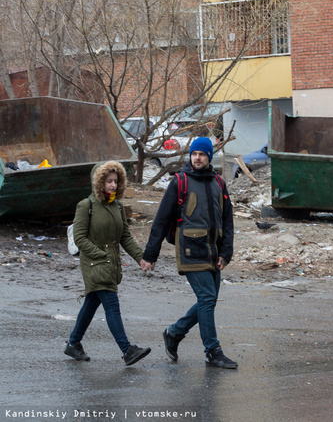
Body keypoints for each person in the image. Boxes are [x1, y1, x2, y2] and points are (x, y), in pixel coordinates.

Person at [141, 137, 237, 369]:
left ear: (209, 157)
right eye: (194, 154)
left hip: (213, 251)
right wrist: (150, 254)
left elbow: (228, 220)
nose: (197, 158)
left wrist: (227, 251)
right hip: (190, 250)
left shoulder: (219, 182)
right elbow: (162, 219)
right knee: (206, 298)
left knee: (209, 299)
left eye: (202, 154)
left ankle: (174, 333)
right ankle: (212, 351)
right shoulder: (180, 182)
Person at [65, 161, 151, 366]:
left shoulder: (118, 206)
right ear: (99, 182)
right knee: (112, 304)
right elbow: (80, 238)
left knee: (92, 302)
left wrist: (141, 257)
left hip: (111, 262)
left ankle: (73, 343)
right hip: (94, 263)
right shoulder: (86, 205)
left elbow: (125, 237)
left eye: (116, 181)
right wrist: (100, 254)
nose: (113, 185)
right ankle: (127, 350)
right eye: (108, 181)